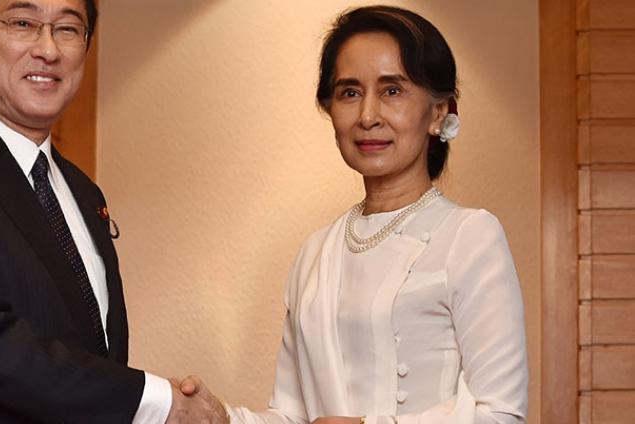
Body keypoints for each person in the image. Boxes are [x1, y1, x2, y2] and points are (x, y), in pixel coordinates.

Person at [0, 0, 226, 422]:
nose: (48, 49)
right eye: (23, 23)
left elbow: (92, 355)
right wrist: (155, 400)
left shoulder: (82, 191)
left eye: (69, 29)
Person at [181, 5, 528, 424]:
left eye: (392, 91)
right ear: (330, 110)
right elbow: (292, 416)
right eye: (349, 92)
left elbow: (502, 415)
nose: (367, 116)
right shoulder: (315, 253)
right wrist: (225, 419)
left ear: (438, 112)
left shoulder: (470, 236)